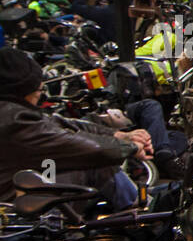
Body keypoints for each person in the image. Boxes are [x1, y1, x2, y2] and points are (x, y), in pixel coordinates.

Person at [0, 48, 147, 206]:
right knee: (94, 164)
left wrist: (118, 135)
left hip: (15, 193)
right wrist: (131, 147)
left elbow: (58, 122)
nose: (40, 95)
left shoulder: (11, 111)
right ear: (23, 89)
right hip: (12, 207)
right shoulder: (14, 120)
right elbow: (85, 147)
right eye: (39, 89)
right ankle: (139, 218)